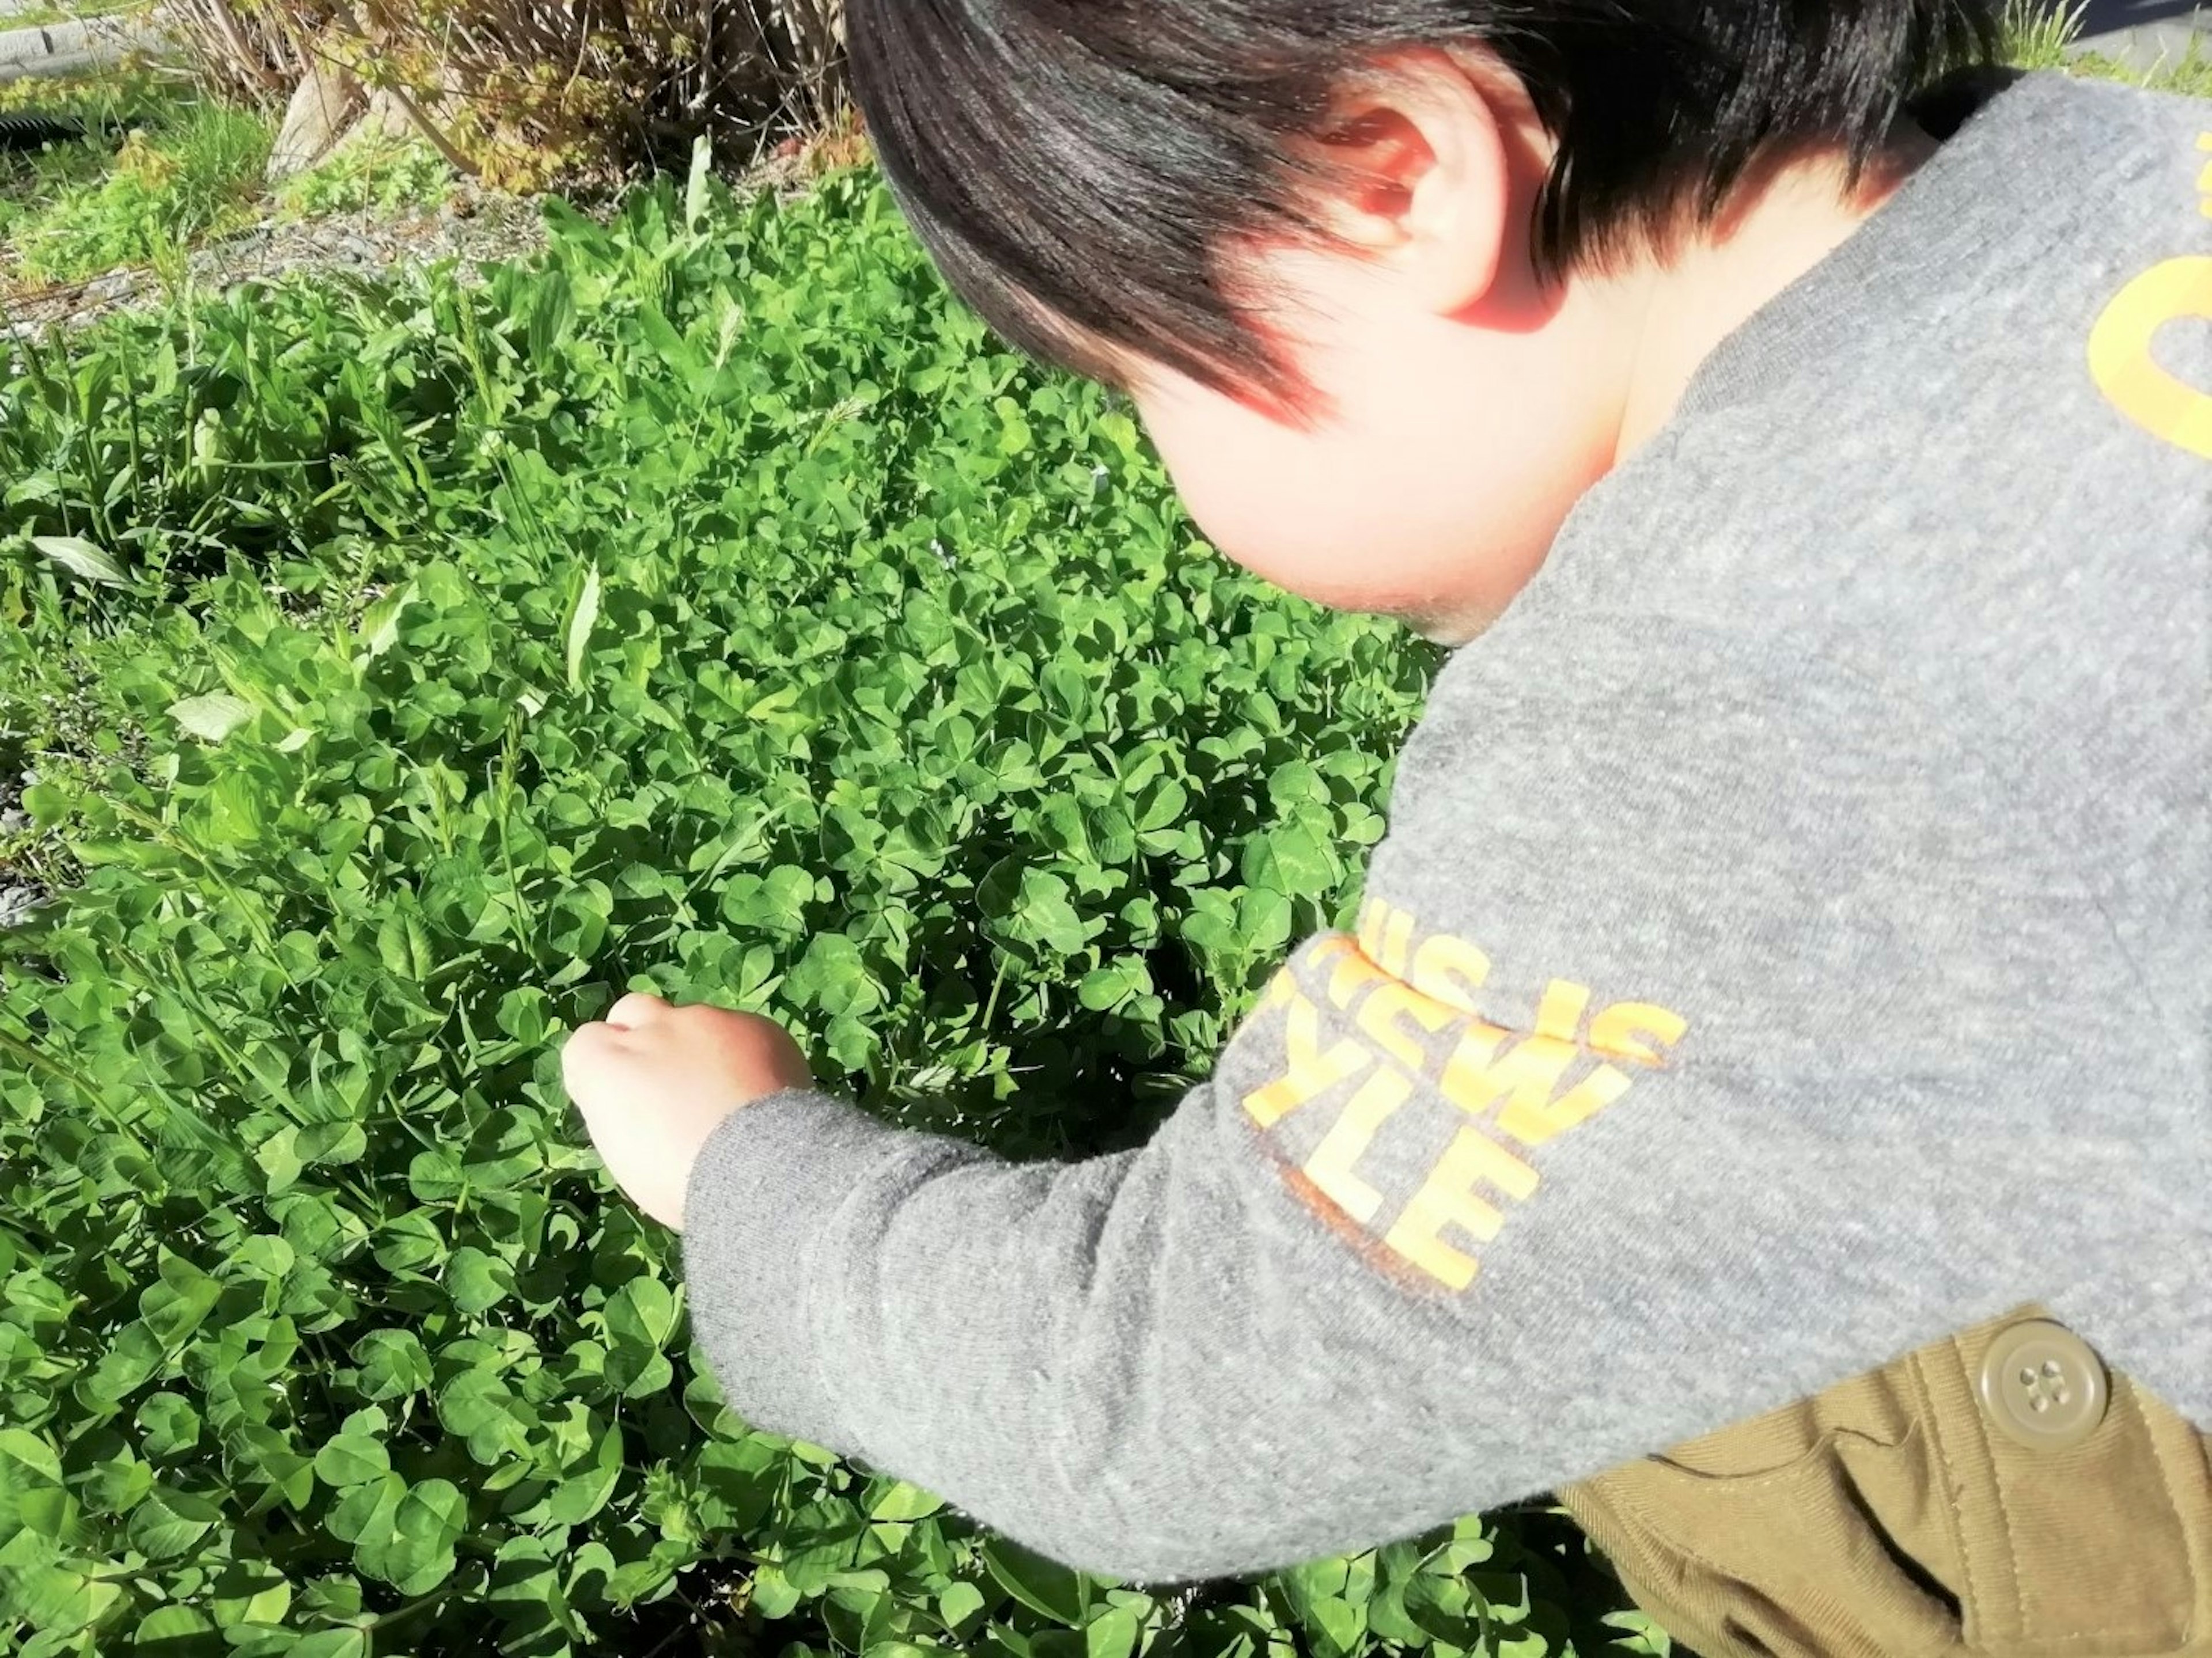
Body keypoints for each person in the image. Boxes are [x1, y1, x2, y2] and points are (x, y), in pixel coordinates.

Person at [558, 4, 2212, 1652]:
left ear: (1393, 180)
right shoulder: (2143, 122)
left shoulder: (1710, 721)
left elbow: (1144, 1394)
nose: (1167, 469)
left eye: (1141, 379)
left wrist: (747, 1173)